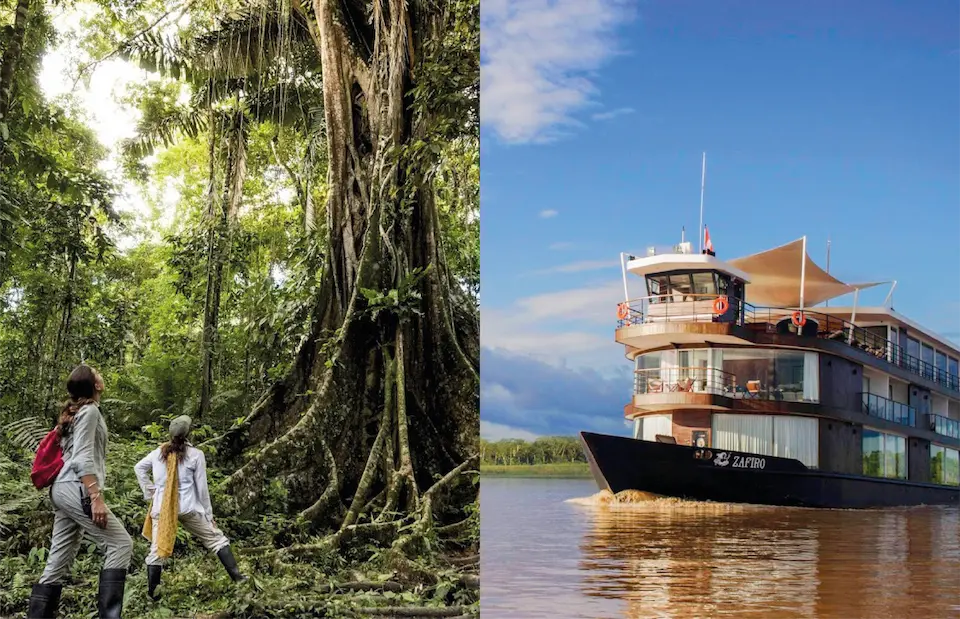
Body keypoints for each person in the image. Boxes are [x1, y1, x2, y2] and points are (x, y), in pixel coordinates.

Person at [28, 365, 134, 619]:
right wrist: (95, 496)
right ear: (95, 385)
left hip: (63, 490)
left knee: (58, 560)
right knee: (120, 544)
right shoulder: (90, 412)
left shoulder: (78, 413)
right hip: (76, 488)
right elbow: (82, 458)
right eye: (98, 373)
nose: (101, 375)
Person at [134, 415, 245, 601]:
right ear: (188, 434)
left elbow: (138, 468)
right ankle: (239, 579)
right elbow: (202, 489)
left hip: (162, 508)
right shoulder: (195, 455)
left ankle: (153, 596)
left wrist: (151, 491)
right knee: (217, 540)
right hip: (188, 507)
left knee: (156, 551)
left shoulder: (158, 452)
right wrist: (209, 515)